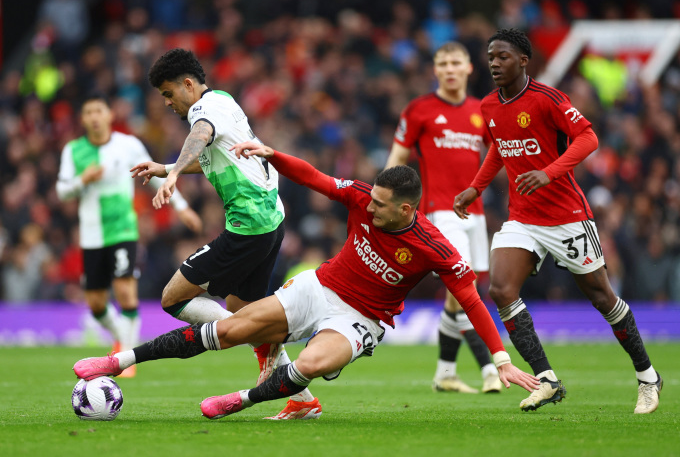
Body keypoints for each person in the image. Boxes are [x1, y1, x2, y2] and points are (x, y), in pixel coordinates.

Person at [73, 142, 540, 420]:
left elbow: (471, 299)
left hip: (362, 319)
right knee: (233, 329)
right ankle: (119, 362)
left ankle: (245, 399)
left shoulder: (434, 248)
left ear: (406, 209)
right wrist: (272, 153)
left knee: (315, 361)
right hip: (319, 286)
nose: (369, 207)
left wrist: (500, 358)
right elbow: (314, 178)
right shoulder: (362, 197)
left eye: (380, 204)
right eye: (370, 199)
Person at [454, 28, 662, 414]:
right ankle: (546, 379)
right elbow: (499, 148)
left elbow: (587, 137)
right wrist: (475, 188)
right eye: (490, 57)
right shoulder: (489, 106)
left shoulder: (548, 99)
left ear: (523, 61)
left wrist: (548, 172)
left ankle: (648, 376)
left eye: (502, 57)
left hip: (567, 216)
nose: (494, 63)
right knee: (500, 288)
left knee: (603, 298)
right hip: (523, 218)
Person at [129, 48, 319, 419]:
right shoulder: (224, 101)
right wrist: (165, 167)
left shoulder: (202, 113)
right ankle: (302, 398)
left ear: (187, 84)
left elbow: (200, 136)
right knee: (240, 309)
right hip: (269, 222)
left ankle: (235, 334)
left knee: (173, 298)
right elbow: (217, 157)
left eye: (168, 93)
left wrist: (171, 175)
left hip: (248, 228)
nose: (167, 102)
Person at [56, 93, 202, 378]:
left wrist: (181, 207)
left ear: (110, 116)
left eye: (99, 111)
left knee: (125, 291)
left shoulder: (128, 145)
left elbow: (156, 176)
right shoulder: (73, 150)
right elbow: (62, 191)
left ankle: (126, 356)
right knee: (97, 304)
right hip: (92, 236)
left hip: (123, 230)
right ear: (83, 119)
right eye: (89, 112)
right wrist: (81, 181)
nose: (95, 117)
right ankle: (121, 336)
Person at [386, 41, 501, 394]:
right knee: (463, 287)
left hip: (476, 216)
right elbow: (395, 163)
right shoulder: (418, 110)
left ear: (469, 68)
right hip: (439, 212)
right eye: (443, 63)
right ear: (435, 70)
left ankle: (445, 373)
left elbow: (500, 153)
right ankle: (490, 367)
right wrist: (388, 209)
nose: (450, 69)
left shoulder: (482, 110)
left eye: (456, 63)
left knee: (463, 294)